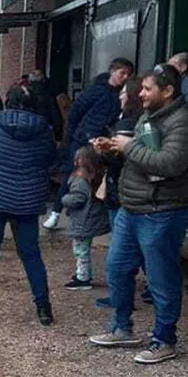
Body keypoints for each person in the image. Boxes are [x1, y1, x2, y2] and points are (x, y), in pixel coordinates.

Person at [89, 64, 188, 365]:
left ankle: (164, 340)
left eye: (147, 89)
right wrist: (111, 150)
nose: (140, 94)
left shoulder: (181, 122)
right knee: (117, 269)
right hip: (131, 208)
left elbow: (170, 163)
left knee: (161, 278)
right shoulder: (148, 116)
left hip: (161, 211)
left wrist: (129, 146)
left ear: (167, 91)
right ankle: (122, 328)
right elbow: (141, 158)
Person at [0, 86, 55, 326]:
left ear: (8, 101)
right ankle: (43, 308)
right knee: (31, 253)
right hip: (28, 198)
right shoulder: (44, 130)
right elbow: (49, 159)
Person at [45, 58, 134, 229]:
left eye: (128, 75)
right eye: (122, 73)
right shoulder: (95, 90)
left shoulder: (123, 95)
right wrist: (75, 135)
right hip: (83, 139)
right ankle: (56, 212)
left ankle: (93, 217)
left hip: (104, 141)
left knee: (100, 178)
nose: (124, 77)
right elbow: (76, 112)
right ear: (112, 71)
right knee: (73, 173)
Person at [94, 77, 150, 308]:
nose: (120, 95)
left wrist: (103, 152)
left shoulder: (128, 124)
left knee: (123, 252)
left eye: (124, 92)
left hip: (123, 192)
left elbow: (122, 160)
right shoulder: (138, 121)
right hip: (130, 192)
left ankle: (122, 299)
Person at [61, 145, 110, 291]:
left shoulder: (80, 180)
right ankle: (84, 274)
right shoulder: (95, 177)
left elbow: (77, 199)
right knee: (83, 249)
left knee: (80, 251)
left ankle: (83, 278)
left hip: (82, 221)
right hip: (89, 219)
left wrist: (65, 199)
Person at [27, 70, 63, 141]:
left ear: (30, 81)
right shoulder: (48, 95)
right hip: (44, 129)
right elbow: (54, 114)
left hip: (29, 129)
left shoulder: (25, 95)